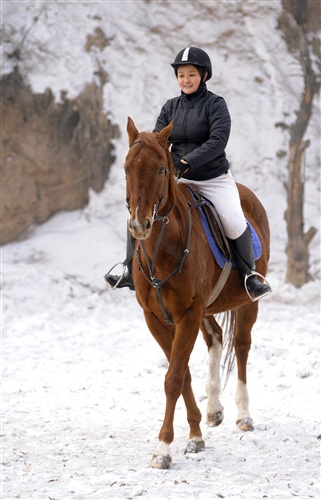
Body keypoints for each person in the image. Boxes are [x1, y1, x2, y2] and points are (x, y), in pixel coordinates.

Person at [105, 46, 271, 301]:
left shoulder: (216, 105)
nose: (186, 80)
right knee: (141, 210)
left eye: (191, 74)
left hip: (213, 179)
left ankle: (250, 276)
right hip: (179, 180)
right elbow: (157, 143)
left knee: (235, 220)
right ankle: (129, 269)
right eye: (181, 75)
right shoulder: (170, 108)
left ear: (204, 75)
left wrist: (186, 161)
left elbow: (218, 140)